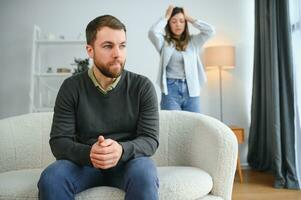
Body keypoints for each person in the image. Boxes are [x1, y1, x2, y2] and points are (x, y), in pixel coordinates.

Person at [38, 15, 159, 200]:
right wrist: (90, 153)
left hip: (128, 163)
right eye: (108, 46)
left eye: (122, 45)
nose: (117, 53)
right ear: (90, 50)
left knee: (145, 173)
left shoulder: (142, 86)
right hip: (83, 164)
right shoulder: (71, 87)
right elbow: (59, 142)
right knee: (52, 177)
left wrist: (121, 150)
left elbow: (150, 139)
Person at [148, 5, 215, 113]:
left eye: (181, 21)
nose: (178, 24)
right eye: (173, 21)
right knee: (172, 126)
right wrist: (166, 17)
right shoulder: (164, 43)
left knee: (193, 125)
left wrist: (189, 18)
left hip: (192, 90)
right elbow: (152, 32)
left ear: (185, 23)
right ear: (169, 24)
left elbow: (210, 30)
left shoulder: (193, 42)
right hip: (170, 91)